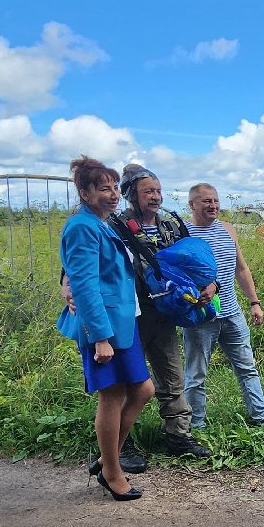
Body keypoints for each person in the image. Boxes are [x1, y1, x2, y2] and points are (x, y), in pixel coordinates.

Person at [64, 164, 213, 462]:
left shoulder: (170, 224)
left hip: (165, 312)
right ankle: (123, 446)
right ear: (134, 195)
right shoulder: (113, 224)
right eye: (148, 192)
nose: (155, 197)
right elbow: (78, 268)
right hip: (130, 316)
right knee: (127, 383)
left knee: (170, 376)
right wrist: (68, 289)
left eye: (158, 191)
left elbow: (193, 260)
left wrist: (211, 283)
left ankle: (178, 435)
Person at [57, 156, 155, 502]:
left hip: (120, 323)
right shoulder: (82, 227)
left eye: (115, 187)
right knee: (112, 396)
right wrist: (100, 337)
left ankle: (106, 459)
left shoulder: (103, 223)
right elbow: (83, 283)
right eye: (103, 188)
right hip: (104, 328)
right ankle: (113, 472)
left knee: (143, 390)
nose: (113, 194)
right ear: (84, 192)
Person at [181, 183, 264, 428]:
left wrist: (254, 303)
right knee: (196, 374)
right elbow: (176, 275)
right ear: (192, 205)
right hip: (200, 316)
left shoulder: (228, 229)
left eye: (215, 200)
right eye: (206, 201)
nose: (213, 205)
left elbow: (241, 269)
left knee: (247, 367)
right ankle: (196, 426)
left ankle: (262, 418)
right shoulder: (183, 232)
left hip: (232, 312)